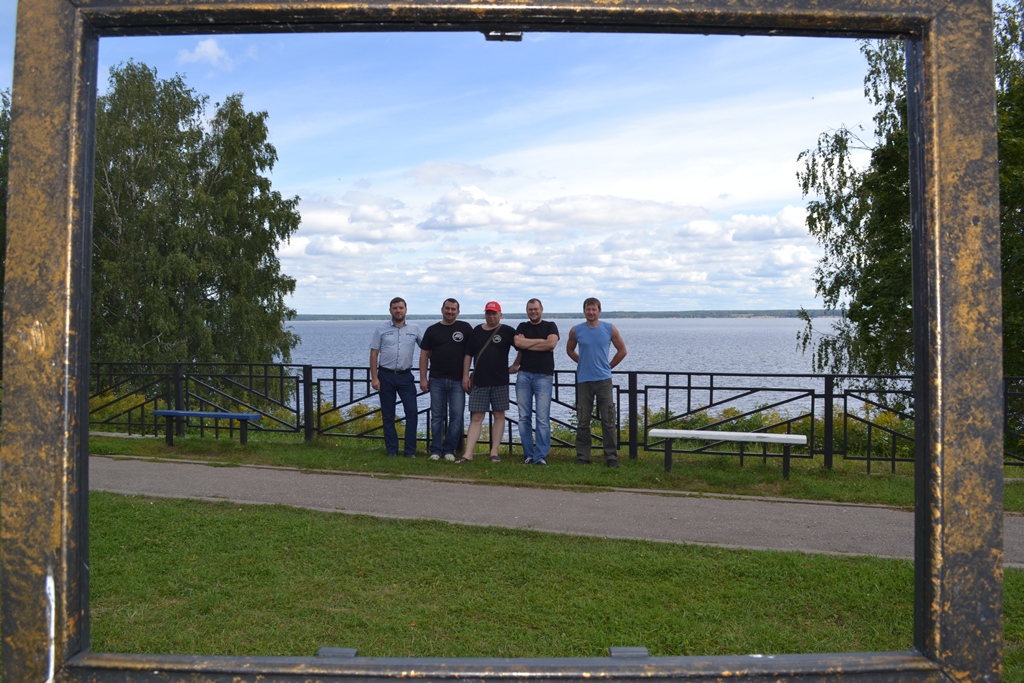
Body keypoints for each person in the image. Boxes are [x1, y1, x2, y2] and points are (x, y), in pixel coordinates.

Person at [565, 297, 628, 467]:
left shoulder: (609, 328)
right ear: (584, 311)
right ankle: (583, 456)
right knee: (583, 419)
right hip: (584, 380)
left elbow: (622, 351)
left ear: (599, 311)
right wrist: (582, 362)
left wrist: (609, 366)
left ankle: (611, 457)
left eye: (594, 309)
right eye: (588, 309)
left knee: (608, 419)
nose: (591, 312)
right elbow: (569, 350)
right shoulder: (576, 330)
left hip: (604, 380)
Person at [457, 301, 516, 463]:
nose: (491, 316)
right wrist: (465, 375)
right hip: (479, 380)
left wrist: (516, 364)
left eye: (494, 313)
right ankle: (468, 453)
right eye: (488, 313)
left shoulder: (508, 331)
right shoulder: (476, 331)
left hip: (500, 380)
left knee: (499, 415)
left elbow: (521, 347)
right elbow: (468, 355)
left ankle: (494, 452)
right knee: (476, 417)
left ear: (500, 314)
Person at [419, 298, 473, 461]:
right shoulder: (432, 330)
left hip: (458, 381)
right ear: (442, 310)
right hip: (436, 379)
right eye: (447, 308)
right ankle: (436, 450)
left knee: (456, 416)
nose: (450, 312)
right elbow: (424, 355)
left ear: (458, 311)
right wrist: (423, 378)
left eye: (453, 309)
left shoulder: (465, 328)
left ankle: (449, 449)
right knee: (437, 417)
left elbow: (470, 354)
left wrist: (466, 376)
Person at [369, 297, 423, 458]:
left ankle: (409, 451)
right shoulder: (381, 329)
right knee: (388, 414)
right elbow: (374, 353)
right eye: (395, 308)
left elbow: (426, 349)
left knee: (412, 412)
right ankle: (392, 450)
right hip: (385, 376)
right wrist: (374, 378)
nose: (398, 310)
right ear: (390, 310)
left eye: (401, 307)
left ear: (406, 309)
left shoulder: (415, 328)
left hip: (406, 377)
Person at [511, 298, 559, 465]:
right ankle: (528, 454)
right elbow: (517, 342)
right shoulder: (522, 326)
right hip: (524, 375)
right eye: (530, 309)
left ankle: (540, 456)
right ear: (527, 310)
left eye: (536, 309)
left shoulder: (550, 326)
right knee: (524, 416)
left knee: (542, 418)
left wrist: (527, 344)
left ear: (541, 309)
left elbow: (551, 344)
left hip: (544, 376)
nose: (533, 312)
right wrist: (540, 341)